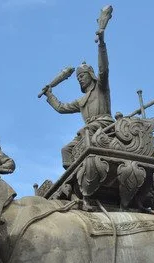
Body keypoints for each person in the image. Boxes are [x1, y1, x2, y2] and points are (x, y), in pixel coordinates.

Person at [42, 27, 114, 168]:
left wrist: (101, 44)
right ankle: (73, 174)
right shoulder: (81, 101)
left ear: (90, 75)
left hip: (105, 123)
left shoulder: (101, 88)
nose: (80, 79)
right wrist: (49, 94)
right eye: (78, 78)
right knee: (66, 150)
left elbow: (103, 69)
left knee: (85, 131)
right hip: (88, 129)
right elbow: (61, 108)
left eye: (82, 76)